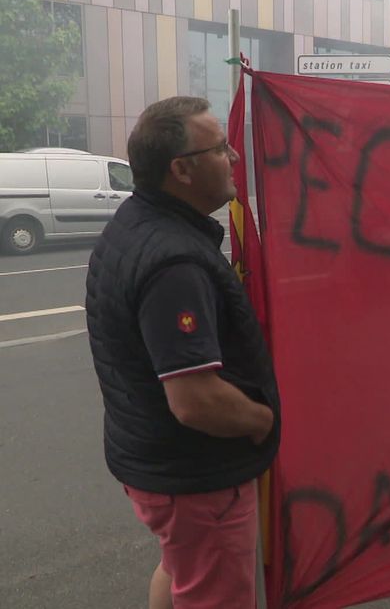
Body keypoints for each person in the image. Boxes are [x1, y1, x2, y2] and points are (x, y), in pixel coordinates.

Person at [85, 97, 280, 608]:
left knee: (180, 569)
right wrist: (262, 421)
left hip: (157, 465)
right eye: (219, 147)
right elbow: (194, 400)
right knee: (212, 591)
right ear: (182, 169)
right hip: (197, 476)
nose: (234, 156)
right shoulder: (176, 262)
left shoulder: (137, 224)